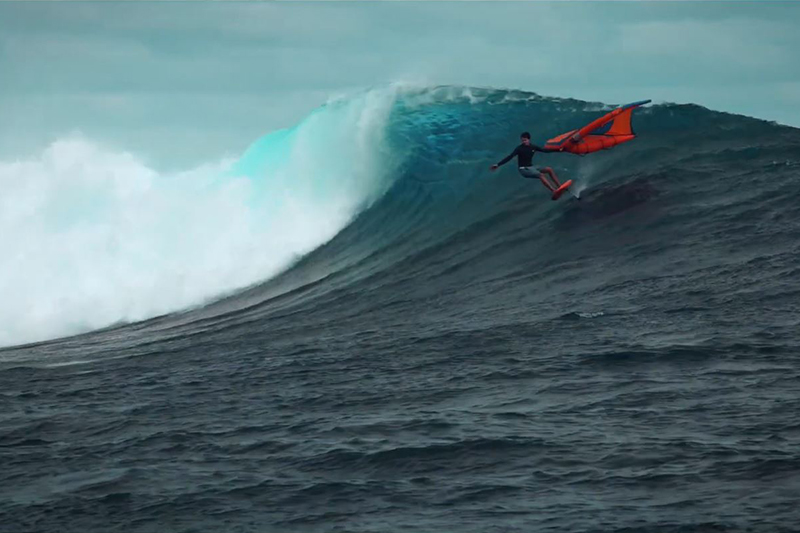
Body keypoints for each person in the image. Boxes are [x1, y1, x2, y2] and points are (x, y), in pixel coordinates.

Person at [490, 132, 564, 192]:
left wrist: (559, 150)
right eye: (522, 140)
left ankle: (560, 186)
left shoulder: (533, 147)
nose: (523, 142)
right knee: (541, 175)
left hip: (531, 167)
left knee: (549, 169)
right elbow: (510, 157)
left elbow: (545, 150)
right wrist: (498, 164)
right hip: (523, 169)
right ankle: (554, 191)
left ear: (529, 139)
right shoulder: (519, 149)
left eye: (525, 140)